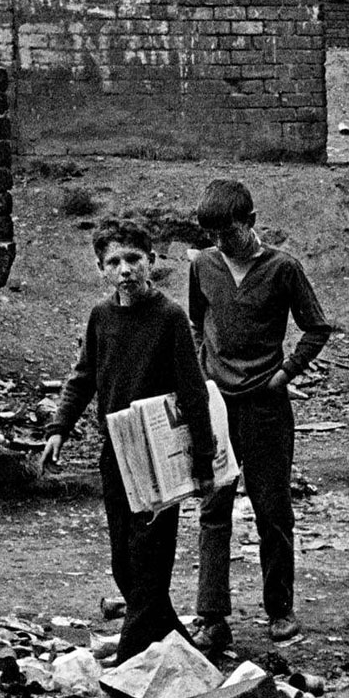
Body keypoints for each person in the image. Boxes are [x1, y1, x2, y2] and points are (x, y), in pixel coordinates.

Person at [41, 217, 215, 665]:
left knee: (151, 556)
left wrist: (203, 458)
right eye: (114, 262)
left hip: (159, 454)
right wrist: (60, 428)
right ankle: (172, 636)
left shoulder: (170, 317)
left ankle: (132, 658)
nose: (125, 270)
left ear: (152, 262)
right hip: (115, 453)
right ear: (101, 268)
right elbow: (84, 377)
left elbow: (193, 392)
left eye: (133, 260)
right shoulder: (101, 316)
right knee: (124, 559)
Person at [188, 179, 331, 652]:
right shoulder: (203, 266)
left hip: (266, 407)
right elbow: (197, 323)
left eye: (228, 232)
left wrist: (284, 373)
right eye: (212, 235)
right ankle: (212, 617)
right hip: (216, 407)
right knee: (213, 508)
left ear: (250, 222)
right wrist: (200, 379)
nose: (221, 243)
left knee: (273, 511)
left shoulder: (283, 268)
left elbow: (316, 327)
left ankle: (280, 609)